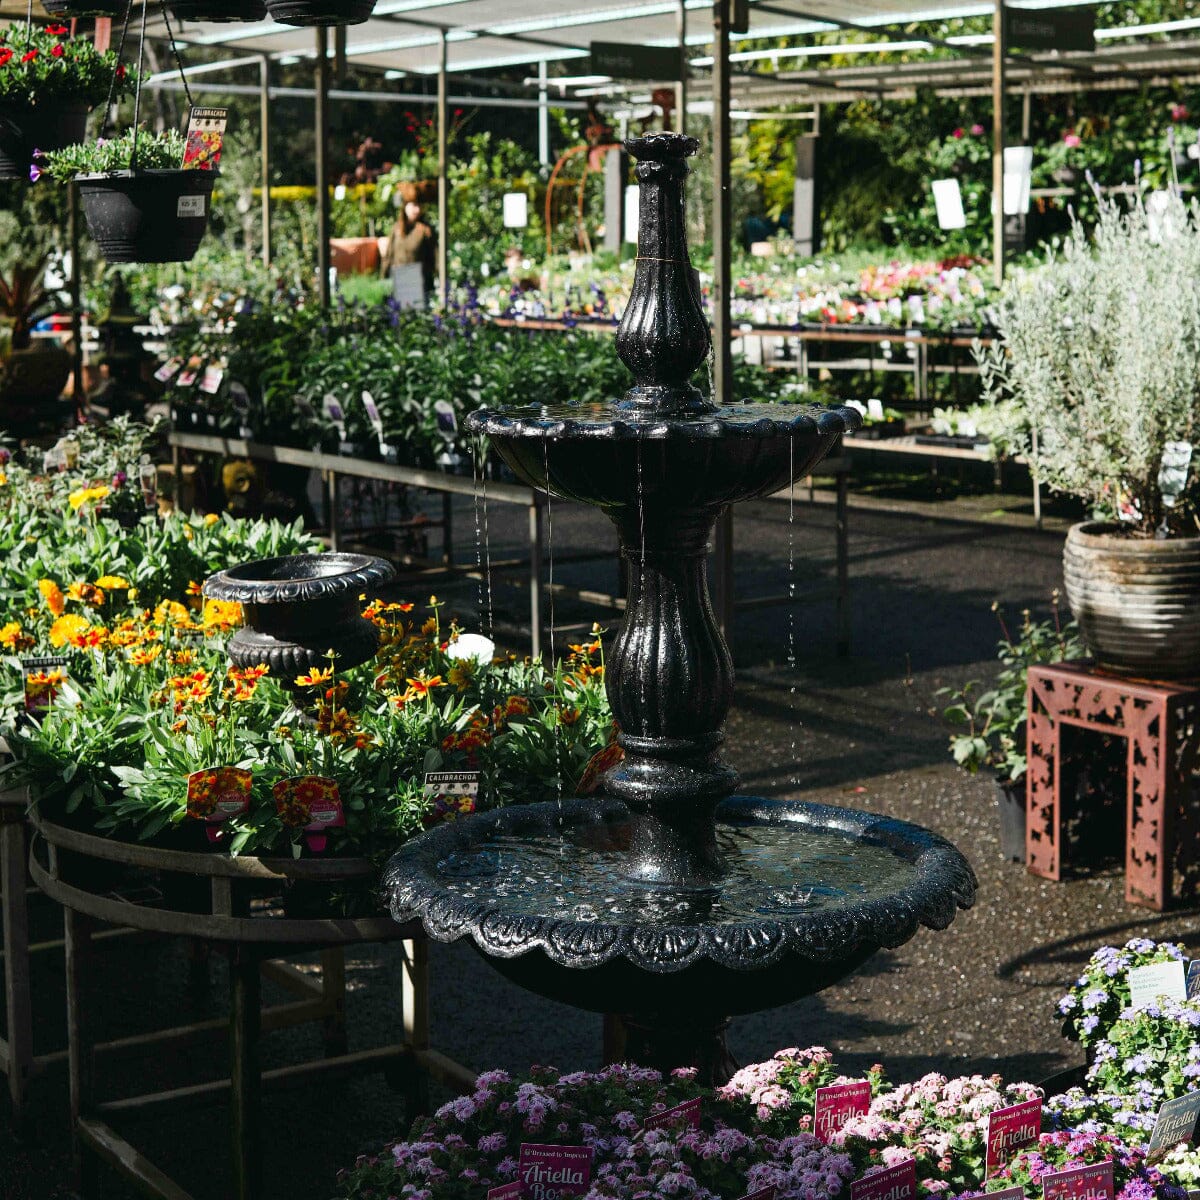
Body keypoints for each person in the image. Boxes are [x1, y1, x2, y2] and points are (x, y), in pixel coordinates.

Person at [382, 200, 436, 306]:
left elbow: (434, 259)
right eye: (414, 205)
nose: (417, 210)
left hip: (418, 283)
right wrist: (384, 280)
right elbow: (388, 256)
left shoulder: (426, 230)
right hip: (399, 280)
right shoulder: (397, 229)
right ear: (405, 207)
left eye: (419, 206)